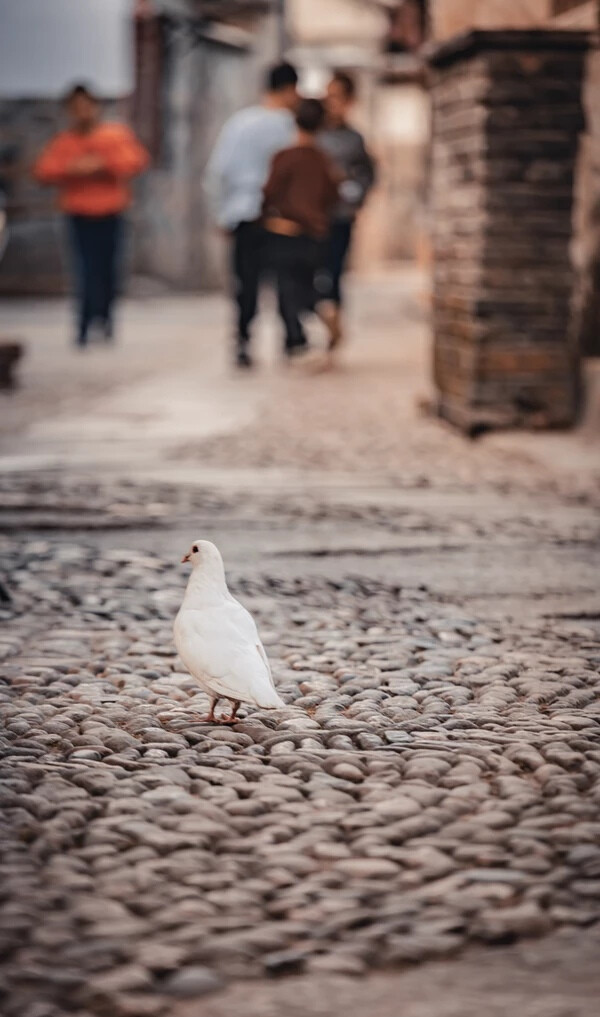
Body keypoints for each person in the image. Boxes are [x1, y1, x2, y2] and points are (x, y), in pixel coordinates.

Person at [34, 83, 149, 347]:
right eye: (76, 108)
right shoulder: (65, 142)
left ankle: (106, 319)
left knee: (109, 270)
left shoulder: (113, 136)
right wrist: (74, 168)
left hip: (111, 213)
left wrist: (101, 164)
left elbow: (135, 162)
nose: (82, 113)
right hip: (79, 215)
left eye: (87, 106)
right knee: (84, 271)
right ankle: (83, 325)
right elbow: (44, 170)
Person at [205, 63, 299, 368]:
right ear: (289, 90)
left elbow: (217, 172)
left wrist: (221, 213)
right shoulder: (290, 126)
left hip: (242, 213)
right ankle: (292, 342)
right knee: (286, 279)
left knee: (246, 283)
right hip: (279, 215)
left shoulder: (239, 123)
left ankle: (243, 343)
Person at [262, 98, 339, 359]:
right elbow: (333, 195)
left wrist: (265, 218)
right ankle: (321, 306)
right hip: (315, 234)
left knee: (286, 288)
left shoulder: (283, 157)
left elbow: (269, 192)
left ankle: (295, 340)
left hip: (285, 231)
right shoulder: (323, 160)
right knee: (307, 285)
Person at [319, 71, 376, 348]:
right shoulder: (313, 134)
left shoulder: (354, 139)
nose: (332, 103)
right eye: (328, 96)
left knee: (335, 270)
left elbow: (368, 175)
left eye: (337, 97)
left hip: (340, 215)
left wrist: (355, 195)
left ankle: (334, 326)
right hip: (312, 216)